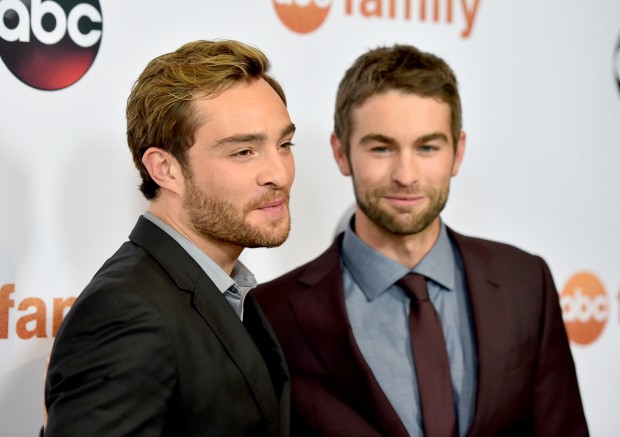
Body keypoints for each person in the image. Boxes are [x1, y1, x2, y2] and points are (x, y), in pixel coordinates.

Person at [253, 44, 588, 436]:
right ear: (341, 153)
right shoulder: (272, 313)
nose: (406, 175)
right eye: (382, 148)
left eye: (427, 147)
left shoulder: (526, 282)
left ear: (457, 152)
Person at [43, 39, 295, 436]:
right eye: (244, 152)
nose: (279, 173)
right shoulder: (125, 313)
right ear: (165, 168)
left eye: (284, 144)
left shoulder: (223, 289)